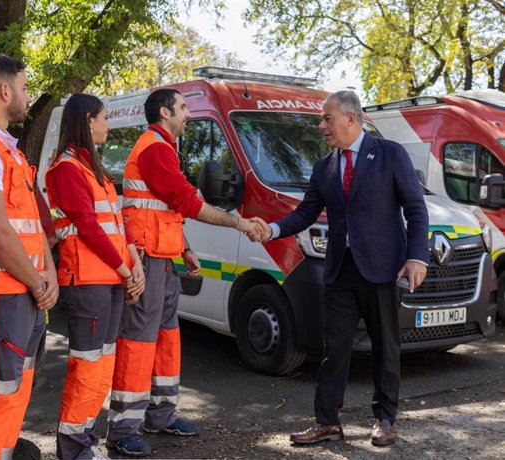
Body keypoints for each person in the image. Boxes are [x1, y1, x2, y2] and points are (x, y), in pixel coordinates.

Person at [253, 90, 428, 447]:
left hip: (383, 269)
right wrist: (271, 230)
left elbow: (415, 208)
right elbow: (305, 213)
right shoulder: (325, 166)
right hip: (339, 271)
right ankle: (327, 422)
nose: (322, 126)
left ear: (351, 118)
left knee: (385, 347)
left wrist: (417, 257)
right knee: (334, 348)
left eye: (327, 118)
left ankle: (384, 419)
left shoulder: (390, 154)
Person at [105, 88, 266, 457]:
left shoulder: (163, 148)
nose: (188, 114)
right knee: (139, 342)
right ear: (165, 112)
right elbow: (187, 202)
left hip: (163, 259)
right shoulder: (155, 149)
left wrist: (186, 249)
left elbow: (167, 210)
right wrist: (240, 223)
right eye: (183, 108)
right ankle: (123, 427)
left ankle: (160, 415)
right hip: (146, 261)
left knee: (166, 339)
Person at [45, 93, 145, 460]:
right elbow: (87, 227)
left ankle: (84, 437)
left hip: (110, 280)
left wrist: (133, 264)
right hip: (87, 282)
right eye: (104, 118)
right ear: (88, 121)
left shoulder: (94, 170)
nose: (108, 125)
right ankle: (72, 446)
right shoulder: (66, 168)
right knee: (86, 367)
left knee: (102, 364)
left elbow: (116, 223)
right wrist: (124, 269)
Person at [0, 54, 58, 459]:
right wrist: (37, 280)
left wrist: (50, 277)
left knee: (19, 390)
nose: (29, 96)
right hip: (4, 294)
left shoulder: (12, 153)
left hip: (27, 292)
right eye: (25, 88)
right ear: (5, 90)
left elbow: (33, 224)